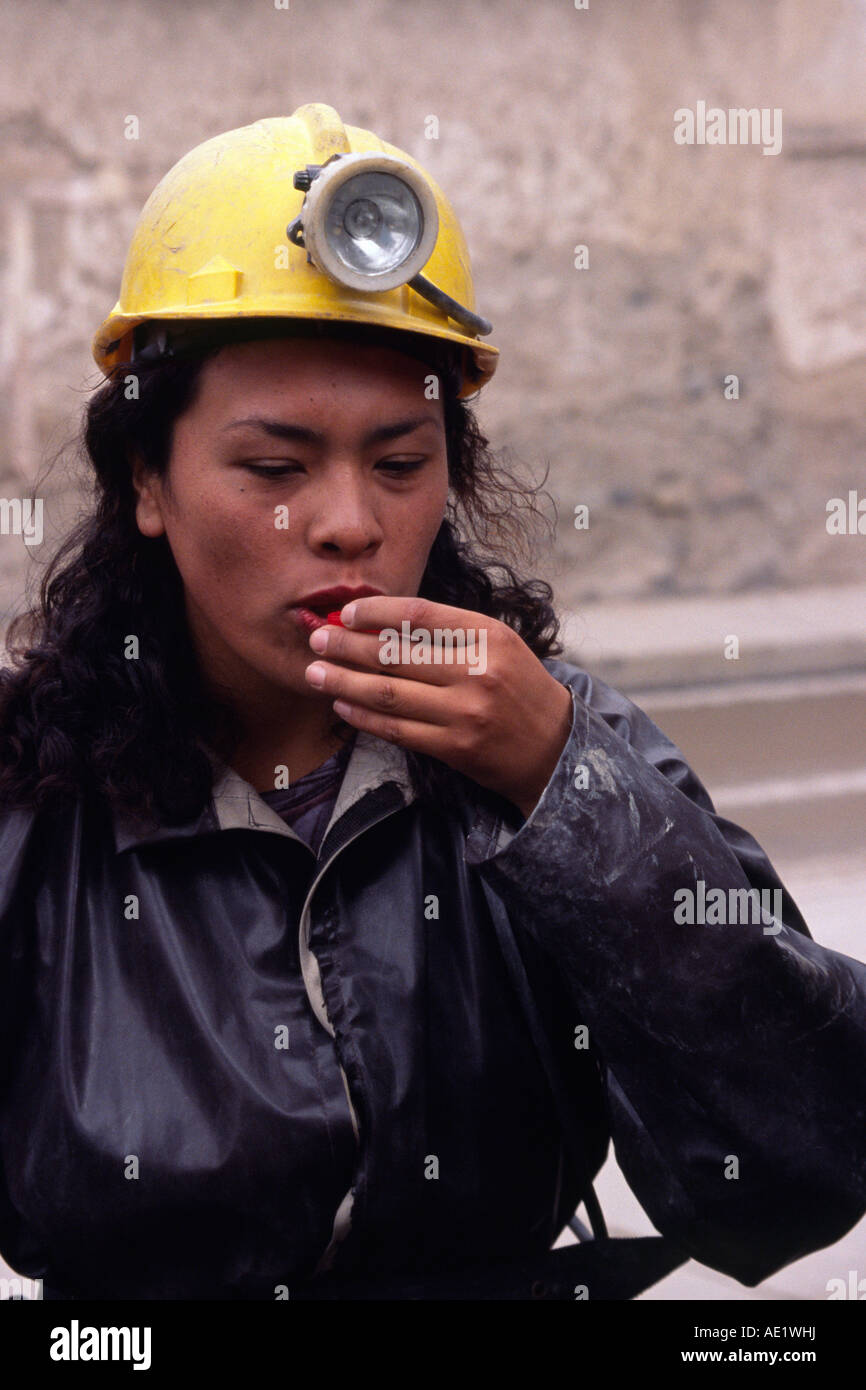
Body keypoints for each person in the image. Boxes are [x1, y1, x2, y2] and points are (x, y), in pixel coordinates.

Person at [0, 102, 864, 1302]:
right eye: (273, 467)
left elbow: (794, 1176)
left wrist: (566, 801)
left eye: (400, 463)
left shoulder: (553, 747)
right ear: (147, 478)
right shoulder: (35, 796)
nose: (350, 521)